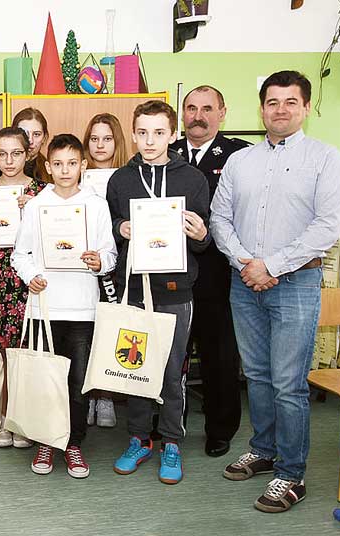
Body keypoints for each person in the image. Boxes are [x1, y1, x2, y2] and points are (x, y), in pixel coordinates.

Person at [211, 71, 340, 513]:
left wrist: (270, 265)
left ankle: (292, 474)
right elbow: (219, 219)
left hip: (296, 284)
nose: (281, 110)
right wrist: (246, 263)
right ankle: (263, 449)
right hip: (244, 283)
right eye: (273, 102)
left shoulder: (326, 159)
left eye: (291, 101)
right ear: (262, 109)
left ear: (306, 108)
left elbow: (328, 227)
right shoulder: (241, 161)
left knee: (288, 384)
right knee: (256, 376)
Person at [105, 100, 210, 485]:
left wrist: (201, 234)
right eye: (143, 133)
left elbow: (203, 238)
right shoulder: (120, 180)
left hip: (175, 289)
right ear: (133, 134)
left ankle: (171, 442)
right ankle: (139, 439)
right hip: (135, 287)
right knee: (134, 368)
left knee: (172, 369)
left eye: (159, 133)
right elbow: (108, 228)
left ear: (173, 134)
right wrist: (120, 228)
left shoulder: (192, 179)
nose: (150, 141)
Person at [11, 133, 117, 478]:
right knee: (47, 380)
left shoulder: (96, 204)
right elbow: (20, 255)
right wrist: (32, 277)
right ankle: (46, 440)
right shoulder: (37, 205)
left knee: (77, 382)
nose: (65, 170)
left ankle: (73, 443)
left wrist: (99, 261)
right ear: (48, 166)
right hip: (45, 308)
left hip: (83, 308)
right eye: (58, 164)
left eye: (72, 163)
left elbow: (110, 254)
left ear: (83, 165)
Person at [170, 85, 250, 458]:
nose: (198, 116)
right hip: (170, 273)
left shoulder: (239, 157)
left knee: (219, 356)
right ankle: (167, 424)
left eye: (206, 108)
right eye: (191, 108)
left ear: (222, 112)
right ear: (182, 113)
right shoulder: (167, 153)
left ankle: (220, 429)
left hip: (217, 275)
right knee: (170, 355)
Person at [0, 127, 46, 449]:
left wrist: (35, 209)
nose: (9, 160)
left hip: (27, 279)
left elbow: (52, 235)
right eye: (2, 154)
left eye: (16, 153)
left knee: (24, 350)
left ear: (27, 153)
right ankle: (0, 416)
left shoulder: (41, 191)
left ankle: (21, 418)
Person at [82, 112, 130, 429]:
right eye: (94, 138)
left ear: (118, 142)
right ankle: (88, 395)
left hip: (118, 266)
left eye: (107, 138)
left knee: (111, 330)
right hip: (84, 267)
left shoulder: (128, 177)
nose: (100, 145)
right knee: (86, 333)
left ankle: (107, 396)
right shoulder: (76, 175)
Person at [0, 108, 50, 184]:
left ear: (44, 138)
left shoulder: (50, 169)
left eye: (36, 134)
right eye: (24, 133)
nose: (30, 140)